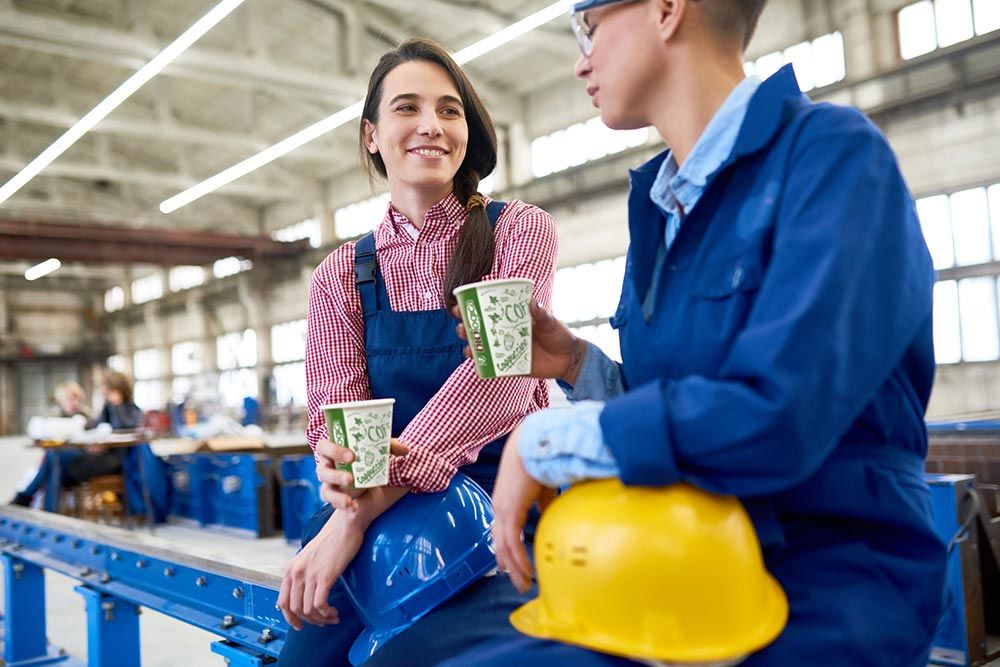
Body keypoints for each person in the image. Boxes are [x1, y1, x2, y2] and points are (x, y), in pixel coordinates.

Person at [445, 1, 947, 666]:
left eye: (588, 26)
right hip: (686, 559)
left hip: (824, 582)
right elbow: (683, 406)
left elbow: (777, 413)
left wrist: (549, 437)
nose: (581, 59)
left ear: (665, 9)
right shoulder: (664, 206)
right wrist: (576, 365)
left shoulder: (833, 158)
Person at [275, 37, 558, 667]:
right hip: (377, 516)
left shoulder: (518, 230)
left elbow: (500, 381)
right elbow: (336, 414)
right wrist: (349, 491)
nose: (431, 125)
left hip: (502, 506)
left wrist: (350, 523)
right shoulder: (341, 273)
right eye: (407, 108)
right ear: (372, 135)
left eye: (449, 110)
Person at [11, 374, 142, 510]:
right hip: (97, 456)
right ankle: (45, 511)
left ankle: (26, 498)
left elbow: (122, 430)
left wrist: (117, 404)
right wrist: (91, 442)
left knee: (54, 459)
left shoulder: (132, 410)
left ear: (116, 388)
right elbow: (96, 429)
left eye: (105, 388)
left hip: (114, 461)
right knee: (55, 463)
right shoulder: (107, 407)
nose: (102, 391)